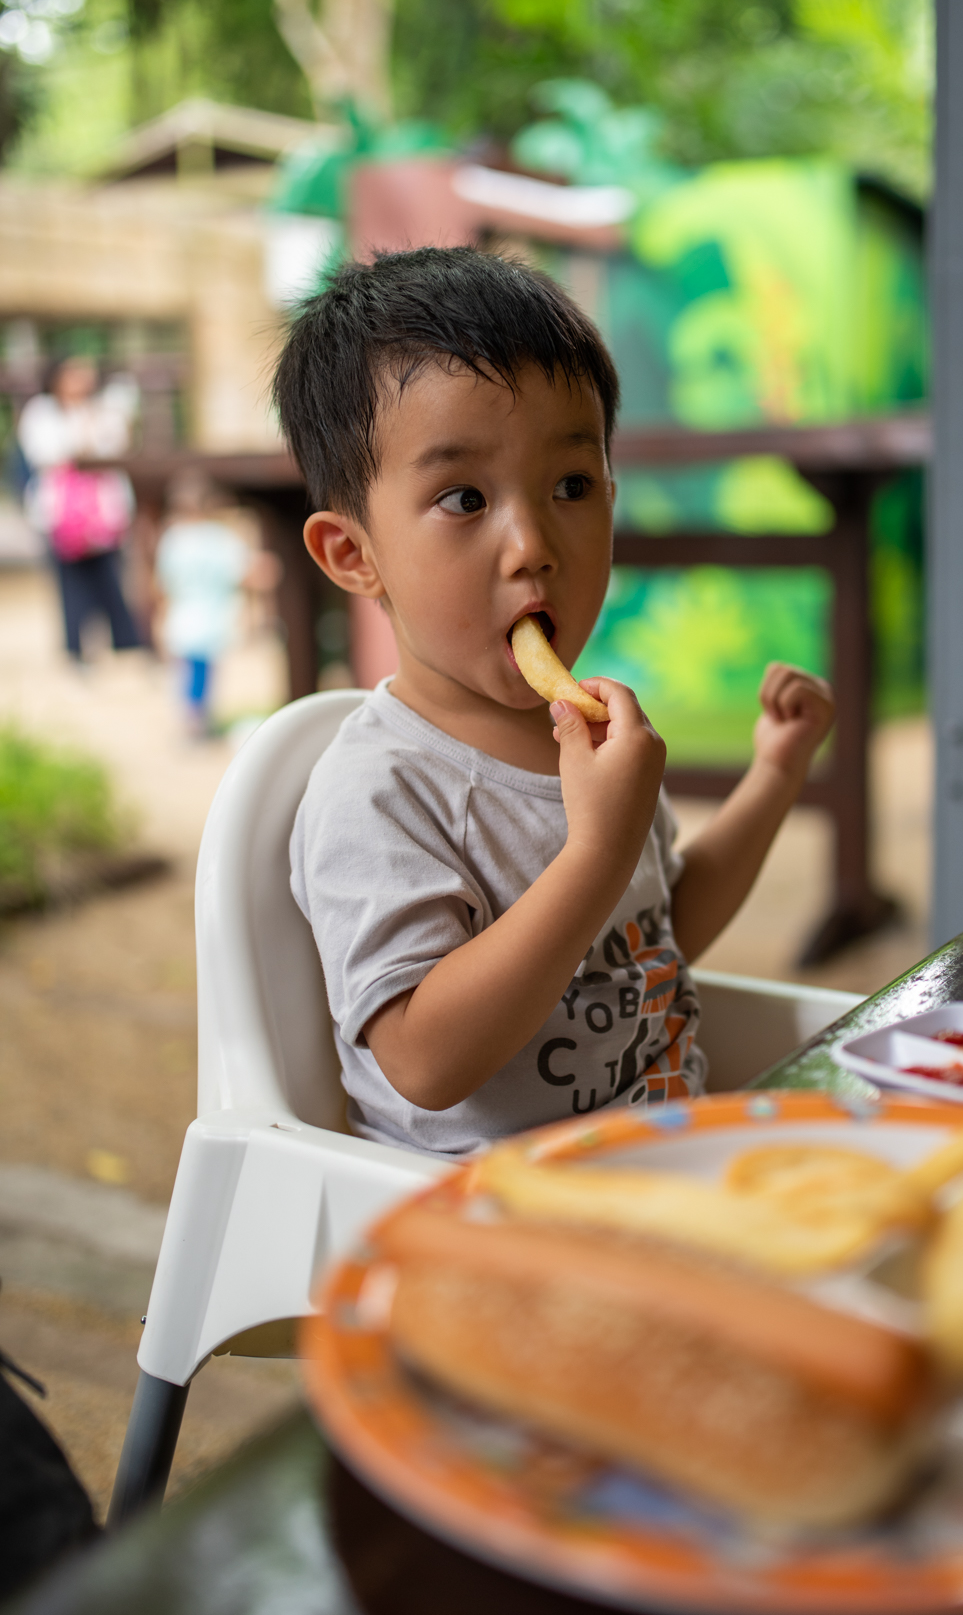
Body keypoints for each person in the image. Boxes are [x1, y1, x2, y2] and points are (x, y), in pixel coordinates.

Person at [279, 247, 835, 1157]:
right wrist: (596, 851)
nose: (531, 543)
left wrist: (773, 773)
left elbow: (663, 927)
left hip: (657, 1166)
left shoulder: (586, 737)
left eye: (570, 486)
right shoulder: (379, 789)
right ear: (354, 554)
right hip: (488, 1219)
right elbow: (422, 1057)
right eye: (463, 498)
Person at [18, 356, 140, 660]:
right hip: (62, 515)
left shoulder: (104, 409)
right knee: (71, 584)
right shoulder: (41, 414)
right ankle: (76, 649)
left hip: (104, 514)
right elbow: (48, 452)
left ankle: (125, 644)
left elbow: (115, 446)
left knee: (111, 580)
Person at [153, 471, 253, 736]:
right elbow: (242, 572)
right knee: (203, 672)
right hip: (212, 617)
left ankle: (192, 717)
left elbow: (164, 582)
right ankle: (197, 719)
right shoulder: (219, 538)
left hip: (183, 615)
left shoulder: (172, 539)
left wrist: (160, 616)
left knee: (188, 671)